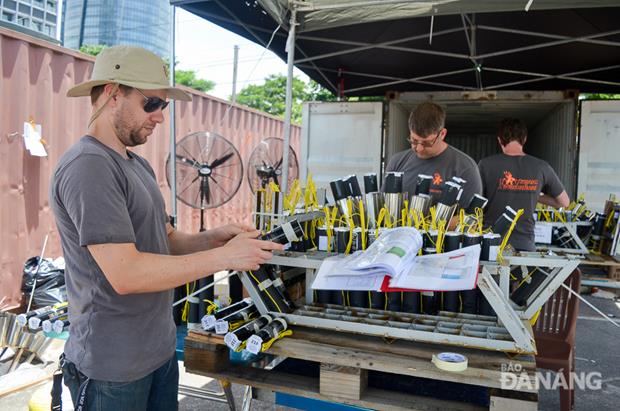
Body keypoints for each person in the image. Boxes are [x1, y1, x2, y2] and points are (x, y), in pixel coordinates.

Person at [50, 45, 283, 410]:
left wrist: (211, 239)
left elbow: (165, 242)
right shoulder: (89, 166)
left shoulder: (136, 165)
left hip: (156, 353)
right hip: (114, 369)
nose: (159, 117)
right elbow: (126, 274)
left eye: (164, 105)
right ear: (112, 93)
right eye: (151, 103)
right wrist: (224, 258)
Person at [478, 118, 569, 252]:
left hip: (491, 243)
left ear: (499, 140)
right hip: (524, 244)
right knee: (523, 273)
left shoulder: (485, 165)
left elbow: (476, 202)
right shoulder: (541, 167)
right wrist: (534, 194)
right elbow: (564, 202)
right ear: (524, 139)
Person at [385, 101, 482, 208]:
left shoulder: (465, 168)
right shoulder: (397, 162)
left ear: (442, 134)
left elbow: (471, 216)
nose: (419, 148)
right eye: (414, 140)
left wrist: (429, 224)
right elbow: (384, 206)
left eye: (427, 143)